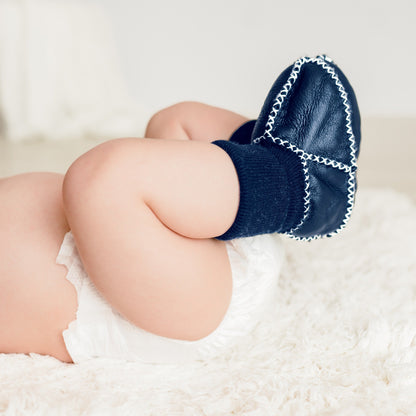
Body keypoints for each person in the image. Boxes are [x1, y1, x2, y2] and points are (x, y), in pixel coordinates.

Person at [0, 55, 360, 364]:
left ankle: (269, 152)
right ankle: (293, 185)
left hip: (202, 226)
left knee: (173, 121)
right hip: (173, 303)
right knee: (101, 179)